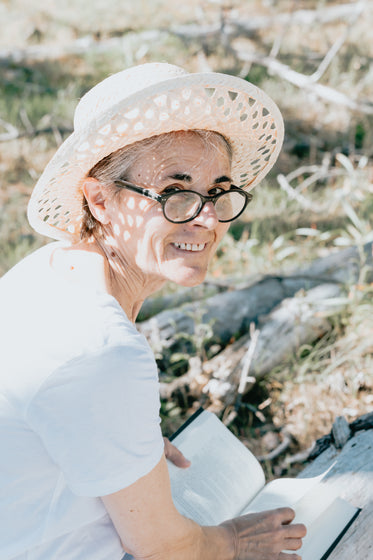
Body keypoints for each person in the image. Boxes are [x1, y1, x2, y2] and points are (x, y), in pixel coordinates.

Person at [0, 62, 306, 560]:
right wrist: (232, 540)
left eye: (219, 191)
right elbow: (166, 549)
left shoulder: (45, 272)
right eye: (174, 192)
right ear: (99, 199)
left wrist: (114, 437)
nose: (206, 218)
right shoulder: (100, 350)